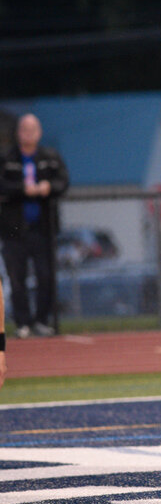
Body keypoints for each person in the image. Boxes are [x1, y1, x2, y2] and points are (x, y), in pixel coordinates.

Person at [0, 113, 69, 338]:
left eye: (32, 129)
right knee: (16, 278)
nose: (28, 133)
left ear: (39, 133)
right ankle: (23, 323)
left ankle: (41, 320)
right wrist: (22, 189)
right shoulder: (7, 158)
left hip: (43, 227)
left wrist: (48, 187)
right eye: (24, 129)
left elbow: (64, 180)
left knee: (45, 276)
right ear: (18, 132)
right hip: (14, 229)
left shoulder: (49, 156)